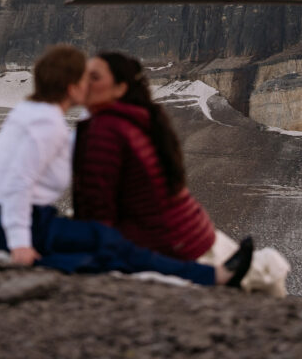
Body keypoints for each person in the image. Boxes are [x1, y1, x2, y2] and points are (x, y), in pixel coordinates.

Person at [0, 44, 252, 287]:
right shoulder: (48, 124)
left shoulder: (34, 114)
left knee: (101, 246)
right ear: (72, 86)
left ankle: (210, 275)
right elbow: (19, 182)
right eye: (84, 78)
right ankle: (212, 277)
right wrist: (20, 244)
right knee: (108, 244)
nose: (88, 85)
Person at [73, 52, 224, 259]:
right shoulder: (142, 118)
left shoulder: (105, 129)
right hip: (194, 234)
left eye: (95, 77)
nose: (85, 83)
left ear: (120, 88)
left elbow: (97, 207)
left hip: (166, 244)